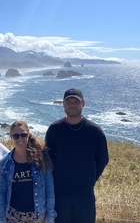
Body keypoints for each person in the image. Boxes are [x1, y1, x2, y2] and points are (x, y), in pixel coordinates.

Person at [45, 88, 109, 223]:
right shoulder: (55, 129)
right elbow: (48, 159)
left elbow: (102, 159)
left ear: (83, 103)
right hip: (60, 195)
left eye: (76, 102)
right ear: (63, 104)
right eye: (69, 102)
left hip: (84, 196)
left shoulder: (94, 131)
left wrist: (89, 180)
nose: (72, 105)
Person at [0, 121, 57, 223]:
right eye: (16, 136)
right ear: (11, 137)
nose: (20, 139)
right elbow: (2, 191)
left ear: (28, 135)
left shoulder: (41, 158)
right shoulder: (5, 162)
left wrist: (50, 215)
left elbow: (49, 188)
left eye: (23, 135)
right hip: (13, 215)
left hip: (37, 215)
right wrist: (1, 216)